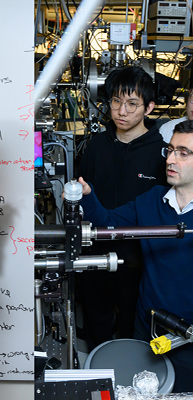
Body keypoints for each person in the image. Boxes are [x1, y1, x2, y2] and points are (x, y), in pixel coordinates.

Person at [78, 119, 193, 392]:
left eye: (183, 152)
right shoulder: (152, 200)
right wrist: (87, 196)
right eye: (170, 150)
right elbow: (108, 223)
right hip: (150, 327)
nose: (171, 159)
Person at [77, 66, 168, 351]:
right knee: (96, 323)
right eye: (116, 101)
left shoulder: (162, 154)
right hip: (95, 252)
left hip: (139, 260)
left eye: (132, 104)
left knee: (134, 330)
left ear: (149, 107)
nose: (122, 111)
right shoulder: (95, 147)